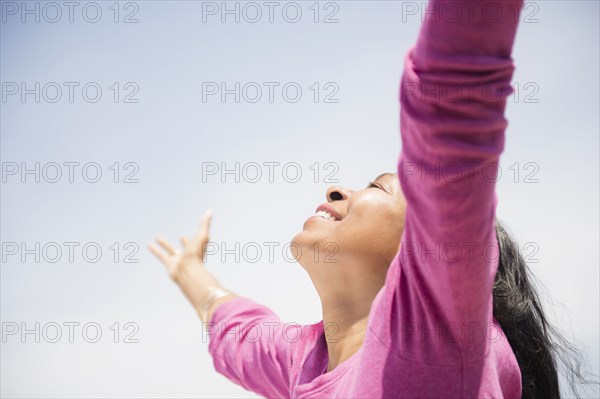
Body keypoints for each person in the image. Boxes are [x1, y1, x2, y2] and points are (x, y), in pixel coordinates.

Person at [148, 0, 595, 397]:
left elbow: (451, 100)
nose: (336, 189)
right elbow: (237, 333)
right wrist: (189, 270)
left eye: (379, 186)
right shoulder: (302, 364)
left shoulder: (435, 336)